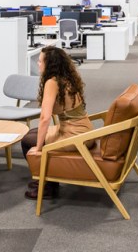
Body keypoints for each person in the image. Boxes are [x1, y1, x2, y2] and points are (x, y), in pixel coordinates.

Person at [21, 46, 93, 199]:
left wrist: (39, 148)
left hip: (75, 135)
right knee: (32, 133)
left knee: (28, 141)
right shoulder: (67, 77)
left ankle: (47, 186)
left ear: (50, 64)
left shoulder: (52, 82)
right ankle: (45, 179)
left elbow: (45, 118)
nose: (38, 64)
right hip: (84, 130)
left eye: (40, 61)